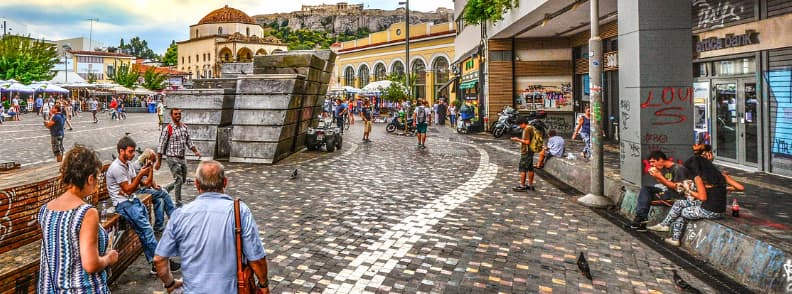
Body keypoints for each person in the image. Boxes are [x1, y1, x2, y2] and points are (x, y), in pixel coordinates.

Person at [154, 160, 270, 294]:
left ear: (197, 184)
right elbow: (256, 258)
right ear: (225, 182)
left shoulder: (180, 215)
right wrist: (263, 285)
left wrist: (170, 284)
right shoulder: (239, 212)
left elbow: (159, 259)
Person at [38, 146, 119, 293]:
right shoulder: (87, 213)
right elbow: (91, 264)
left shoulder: (45, 210)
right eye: (97, 178)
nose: (97, 182)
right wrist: (109, 258)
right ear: (90, 178)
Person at [107, 136, 181, 274]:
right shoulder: (117, 168)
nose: (133, 154)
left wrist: (149, 169)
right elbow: (129, 189)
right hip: (124, 204)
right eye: (130, 151)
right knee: (146, 231)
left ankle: (155, 264)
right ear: (121, 151)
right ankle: (162, 262)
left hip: (132, 201)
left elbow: (144, 184)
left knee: (145, 233)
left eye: (134, 151)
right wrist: (141, 174)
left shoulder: (128, 165)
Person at [648, 149, 744, 246]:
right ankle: (665, 225)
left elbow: (702, 197)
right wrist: (725, 188)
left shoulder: (699, 179)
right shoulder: (720, 175)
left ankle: (674, 237)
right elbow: (741, 188)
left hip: (709, 210)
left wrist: (688, 190)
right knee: (680, 203)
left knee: (683, 212)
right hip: (720, 210)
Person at [628, 151, 689, 231]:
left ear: (661, 159)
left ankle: (641, 220)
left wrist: (660, 177)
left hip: (676, 196)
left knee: (645, 198)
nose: (652, 164)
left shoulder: (678, 169)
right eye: (650, 163)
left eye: (653, 162)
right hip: (668, 190)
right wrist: (658, 177)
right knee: (645, 189)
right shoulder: (666, 169)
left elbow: (679, 189)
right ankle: (641, 219)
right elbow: (667, 183)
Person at [156, 108, 202, 207]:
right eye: (176, 114)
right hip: (172, 157)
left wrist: (195, 151)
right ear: (171, 116)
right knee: (178, 179)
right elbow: (161, 146)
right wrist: (158, 161)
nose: (178, 115)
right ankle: (178, 203)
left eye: (179, 114)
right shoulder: (168, 129)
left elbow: (189, 142)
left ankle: (166, 189)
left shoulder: (184, 127)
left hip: (182, 157)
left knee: (183, 180)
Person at [132, 149, 177, 232]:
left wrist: (155, 186)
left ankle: (158, 226)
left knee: (159, 200)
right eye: (152, 160)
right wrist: (151, 168)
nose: (153, 163)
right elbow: (147, 184)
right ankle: (174, 218)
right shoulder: (137, 166)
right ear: (147, 159)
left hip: (145, 189)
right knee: (164, 193)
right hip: (139, 192)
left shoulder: (145, 165)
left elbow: (151, 181)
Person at [511, 117, 537, 191]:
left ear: (523, 123)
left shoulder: (527, 129)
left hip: (526, 151)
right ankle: (530, 185)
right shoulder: (531, 127)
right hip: (531, 151)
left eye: (520, 125)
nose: (519, 127)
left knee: (523, 168)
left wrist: (517, 139)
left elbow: (527, 142)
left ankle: (522, 186)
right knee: (530, 168)